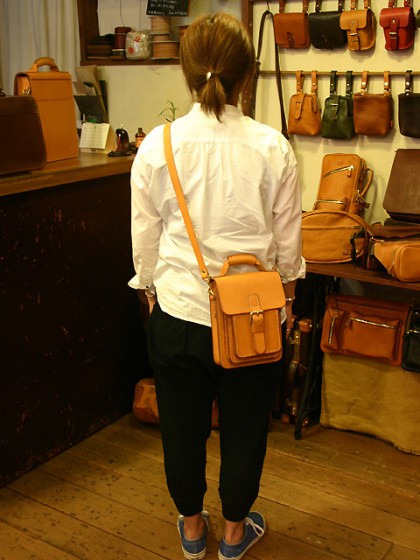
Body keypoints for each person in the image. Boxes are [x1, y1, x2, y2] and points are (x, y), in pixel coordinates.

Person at [129, 12, 305, 560]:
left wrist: (152, 293)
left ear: (187, 74)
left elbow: (145, 243)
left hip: (179, 313)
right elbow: (288, 248)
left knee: (180, 429)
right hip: (253, 316)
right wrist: (286, 301)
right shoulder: (272, 146)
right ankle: (233, 534)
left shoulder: (156, 146)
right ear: (247, 76)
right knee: (246, 429)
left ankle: (191, 528)